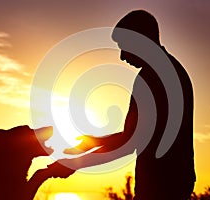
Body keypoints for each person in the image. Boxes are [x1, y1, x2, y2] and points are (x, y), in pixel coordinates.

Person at [63, 10, 196, 199]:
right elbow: (135, 136)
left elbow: (130, 142)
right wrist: (94, 142)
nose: (122, 57)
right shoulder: (174, 70)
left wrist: (76, 162)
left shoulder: (150, 79)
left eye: (123, 47)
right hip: (174, 182)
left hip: (159, 186)